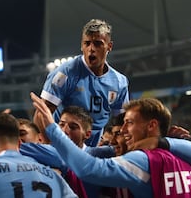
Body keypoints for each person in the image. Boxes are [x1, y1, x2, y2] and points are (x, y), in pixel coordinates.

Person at [31, 92, 191, 198]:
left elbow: (88, 169)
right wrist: (163, 142)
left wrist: (52, 129)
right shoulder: (187, 159)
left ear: (152, 125)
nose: (123, 129)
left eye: (129, 122)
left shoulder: (143, 160)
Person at [38, 19, 129, 147]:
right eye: (87, 43)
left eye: (98, 44)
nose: (91, 49)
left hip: (93, 149)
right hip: (64, 144)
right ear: (81, 45)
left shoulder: (119, 82)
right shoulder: (65, 73)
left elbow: (122, 122)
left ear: (109, 46)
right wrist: (51, 146)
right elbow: (41, 113)